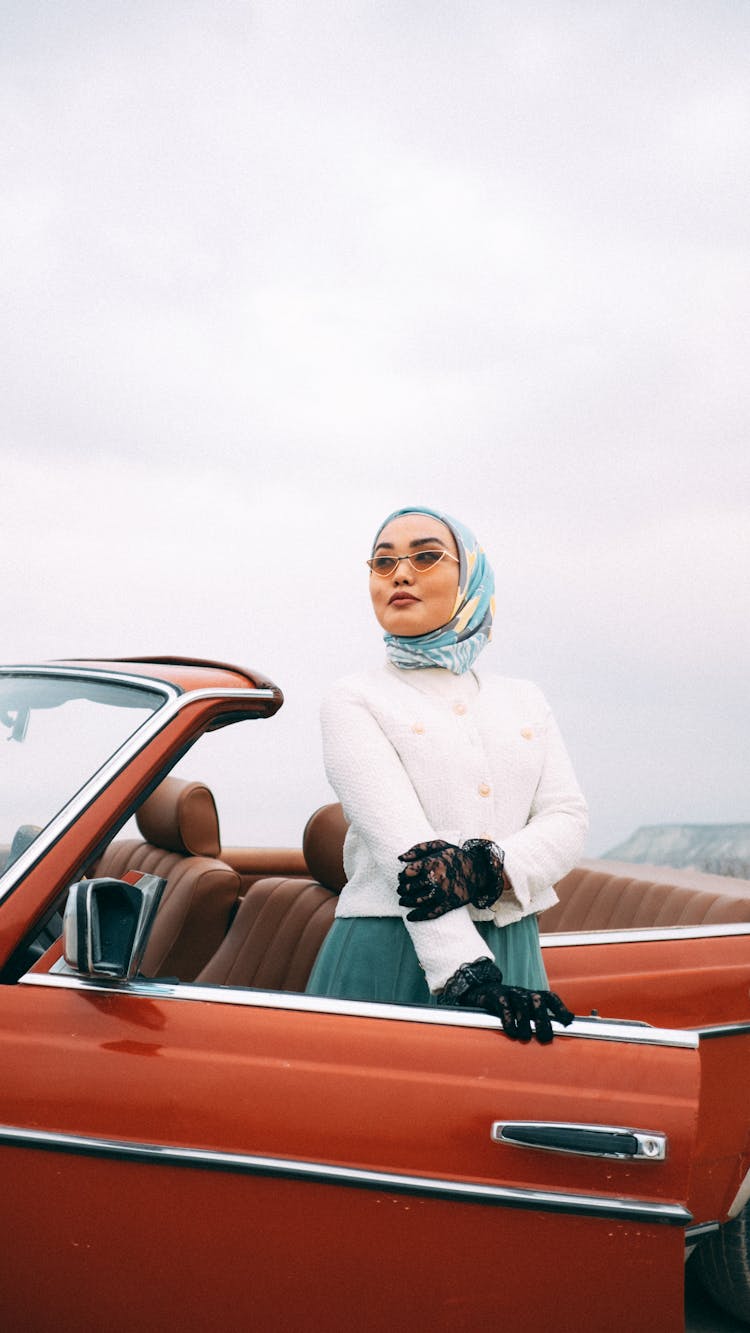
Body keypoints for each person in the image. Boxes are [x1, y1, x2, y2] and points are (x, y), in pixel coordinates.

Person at [306, 505, 588, 1043]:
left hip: (514, 946)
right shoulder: (353, 699)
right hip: (392, 949)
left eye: (426, 556)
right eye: (383, 563)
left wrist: (487, 869)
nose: (401, 574)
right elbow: (404, 855)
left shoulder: (525, 698)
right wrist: (470, 975)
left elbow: (567, 816)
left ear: (471, 575)